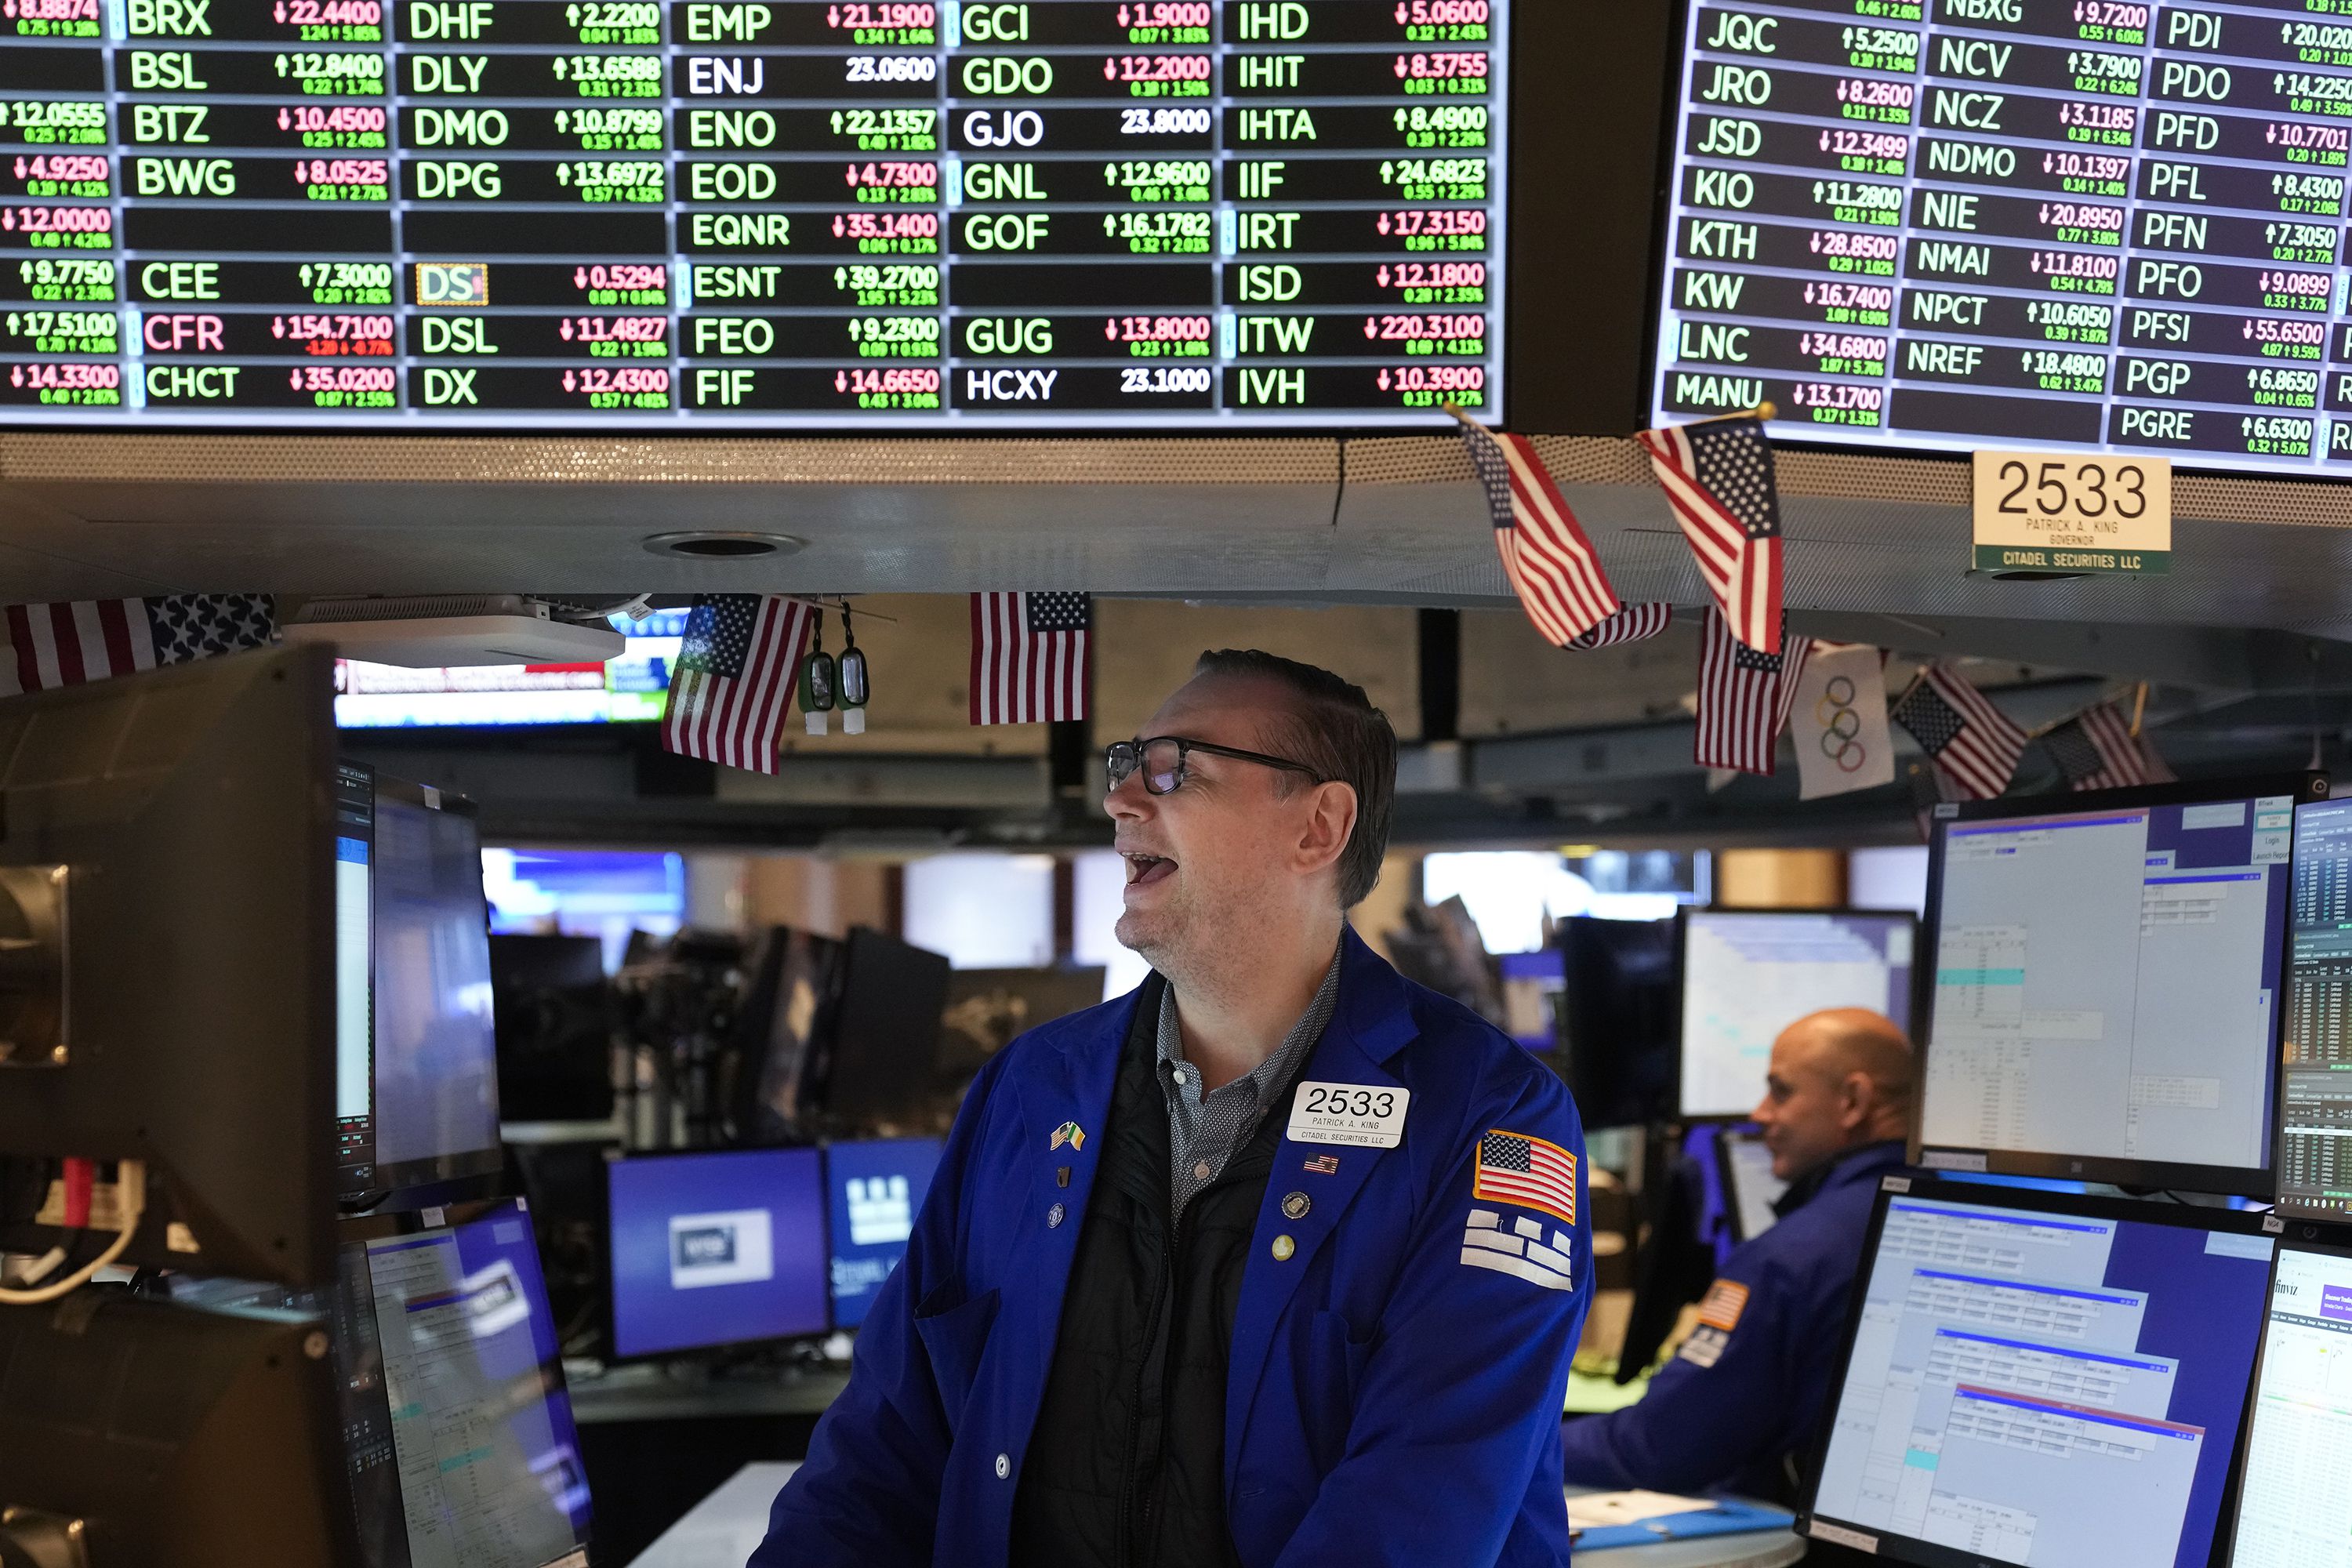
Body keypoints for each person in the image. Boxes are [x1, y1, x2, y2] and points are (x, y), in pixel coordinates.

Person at [756, 650, 1593, 1568]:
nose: (1120, 799)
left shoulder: (1494, 1119)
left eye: (1175, 768)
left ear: (1319, 824)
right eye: (1127, 763)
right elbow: (880, 1446)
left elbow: (1419, 1508)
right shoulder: (1031, 1089)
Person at [1559, 1007, 1911, 1501]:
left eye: (1781, 1091)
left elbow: (1659, 1447)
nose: (1760, 1113)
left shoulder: (1792, 1257)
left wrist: (1520, 1445)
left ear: (1854, 1101)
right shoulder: (1940, 1215)